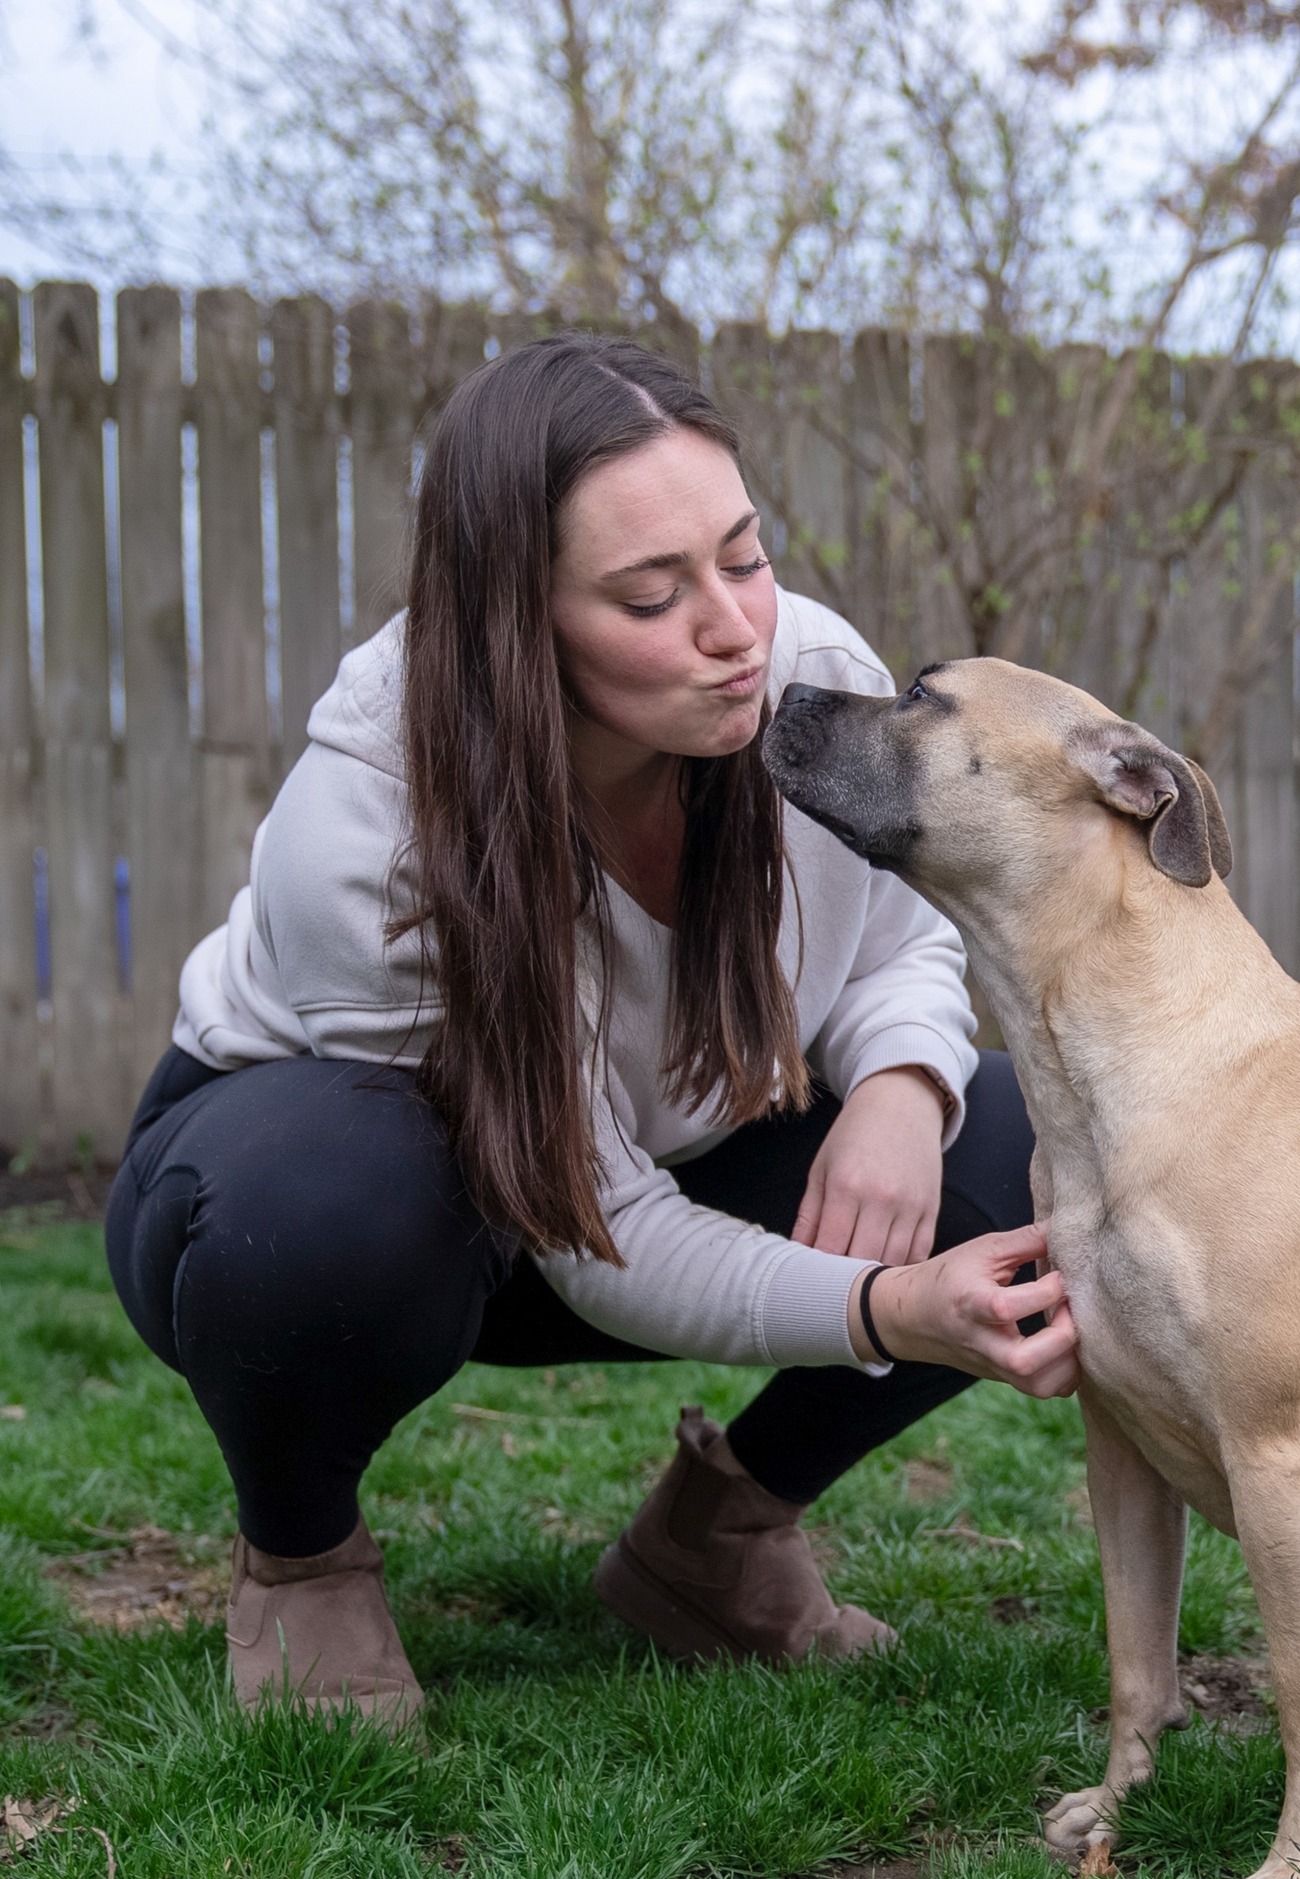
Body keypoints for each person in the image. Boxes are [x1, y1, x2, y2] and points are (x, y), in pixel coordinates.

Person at [103, 333, 1079, 1727]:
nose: (737, 629)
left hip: (643, 1158)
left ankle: (718, 1543)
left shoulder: (801, 673)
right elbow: (595, 1219)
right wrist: (887, 1307)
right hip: (327, 1206)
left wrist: (905, 1090)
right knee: (334, 1200)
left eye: (742, 558)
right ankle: (303, 1553)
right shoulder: (368, 831)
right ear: (519, 618)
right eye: (648, 594)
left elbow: (897, 935)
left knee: (1032, 1135)